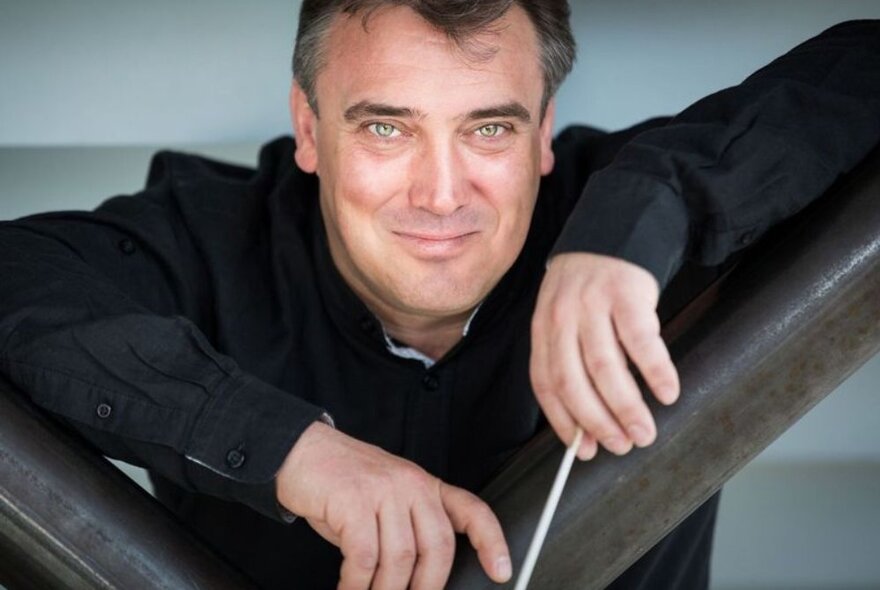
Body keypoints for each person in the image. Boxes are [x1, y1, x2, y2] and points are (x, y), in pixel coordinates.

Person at [0, 1, 877, 588]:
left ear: (542, 131)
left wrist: (645, 213)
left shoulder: (651, 219)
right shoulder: (205, 239)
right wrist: (288, 450)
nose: (442, 193)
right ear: (308, 128)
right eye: (387, 127)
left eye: (488, 127)